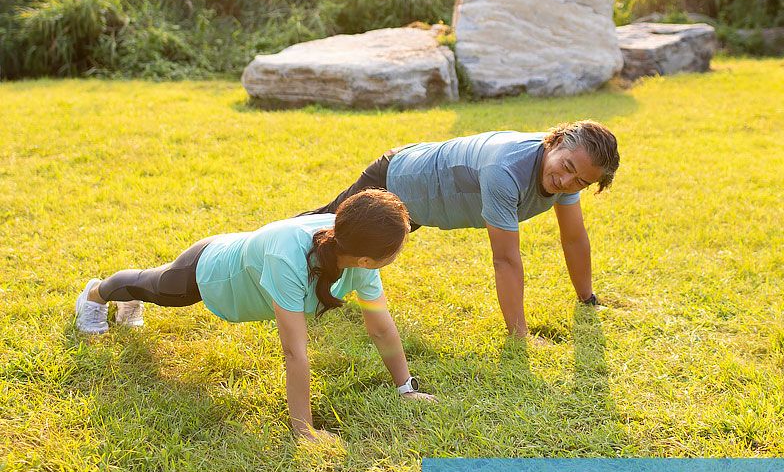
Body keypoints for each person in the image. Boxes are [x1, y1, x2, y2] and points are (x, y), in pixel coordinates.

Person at [74, 189, 433, 444]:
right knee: (153, 286)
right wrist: (304, 431)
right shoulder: (290, 258)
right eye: (398, 247)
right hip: (210, 270)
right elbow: (295, 352)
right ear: (368, 258)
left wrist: (407, 390)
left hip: (245, 255)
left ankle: (122, 302)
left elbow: (381, 328)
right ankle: (95, 293)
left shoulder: (358, 255)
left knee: (151, 288)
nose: (400, 251)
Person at [302, 120, 620, 339]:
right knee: (322, 232)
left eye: (581, 181)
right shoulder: (506, 170)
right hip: (397, 179)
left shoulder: (569, 173)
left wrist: (587, 298)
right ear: (556, 142)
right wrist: (520, 337)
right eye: (566, 168)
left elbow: (574, 238)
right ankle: (266, 255)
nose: (567, 182)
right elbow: (505, 260)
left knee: (348, 250)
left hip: (424, 203)